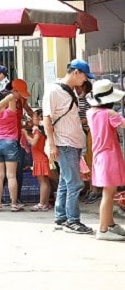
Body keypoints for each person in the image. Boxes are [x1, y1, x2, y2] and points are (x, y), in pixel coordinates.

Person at [43, 58, 95, 234]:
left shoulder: (70, 91)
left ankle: (61, 217)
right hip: (63, 143)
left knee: (66, 182)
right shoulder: (53, 91)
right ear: (76, 72)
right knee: (75, 184)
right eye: (85, 76)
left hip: (73, 143)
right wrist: (51, 144)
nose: (85, 80)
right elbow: (47, 118)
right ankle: (73, 220)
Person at [85, 79, 125, 241]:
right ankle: (103, 229)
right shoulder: (110, 114)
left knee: (108, 192)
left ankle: (110, 224)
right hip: (110, 156)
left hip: (99, 155)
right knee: (109, 194)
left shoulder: (91, 112)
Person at [0, 81, 30, 212]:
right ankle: (14, 204)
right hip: (10, 142)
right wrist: (7, 98)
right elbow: (11, 97)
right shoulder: (11, 111)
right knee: (11, 176)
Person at [22, 109, 52, 211]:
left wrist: (26, 134)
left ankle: (41, 203)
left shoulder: (37, 130)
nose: (32, 119)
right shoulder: (41, 130)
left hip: (39, 159)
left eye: (34, 117)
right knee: (45, 182)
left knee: (42, 182)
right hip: (41, 157)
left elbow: (34, 143)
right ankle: (45, 203)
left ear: (39, 118)